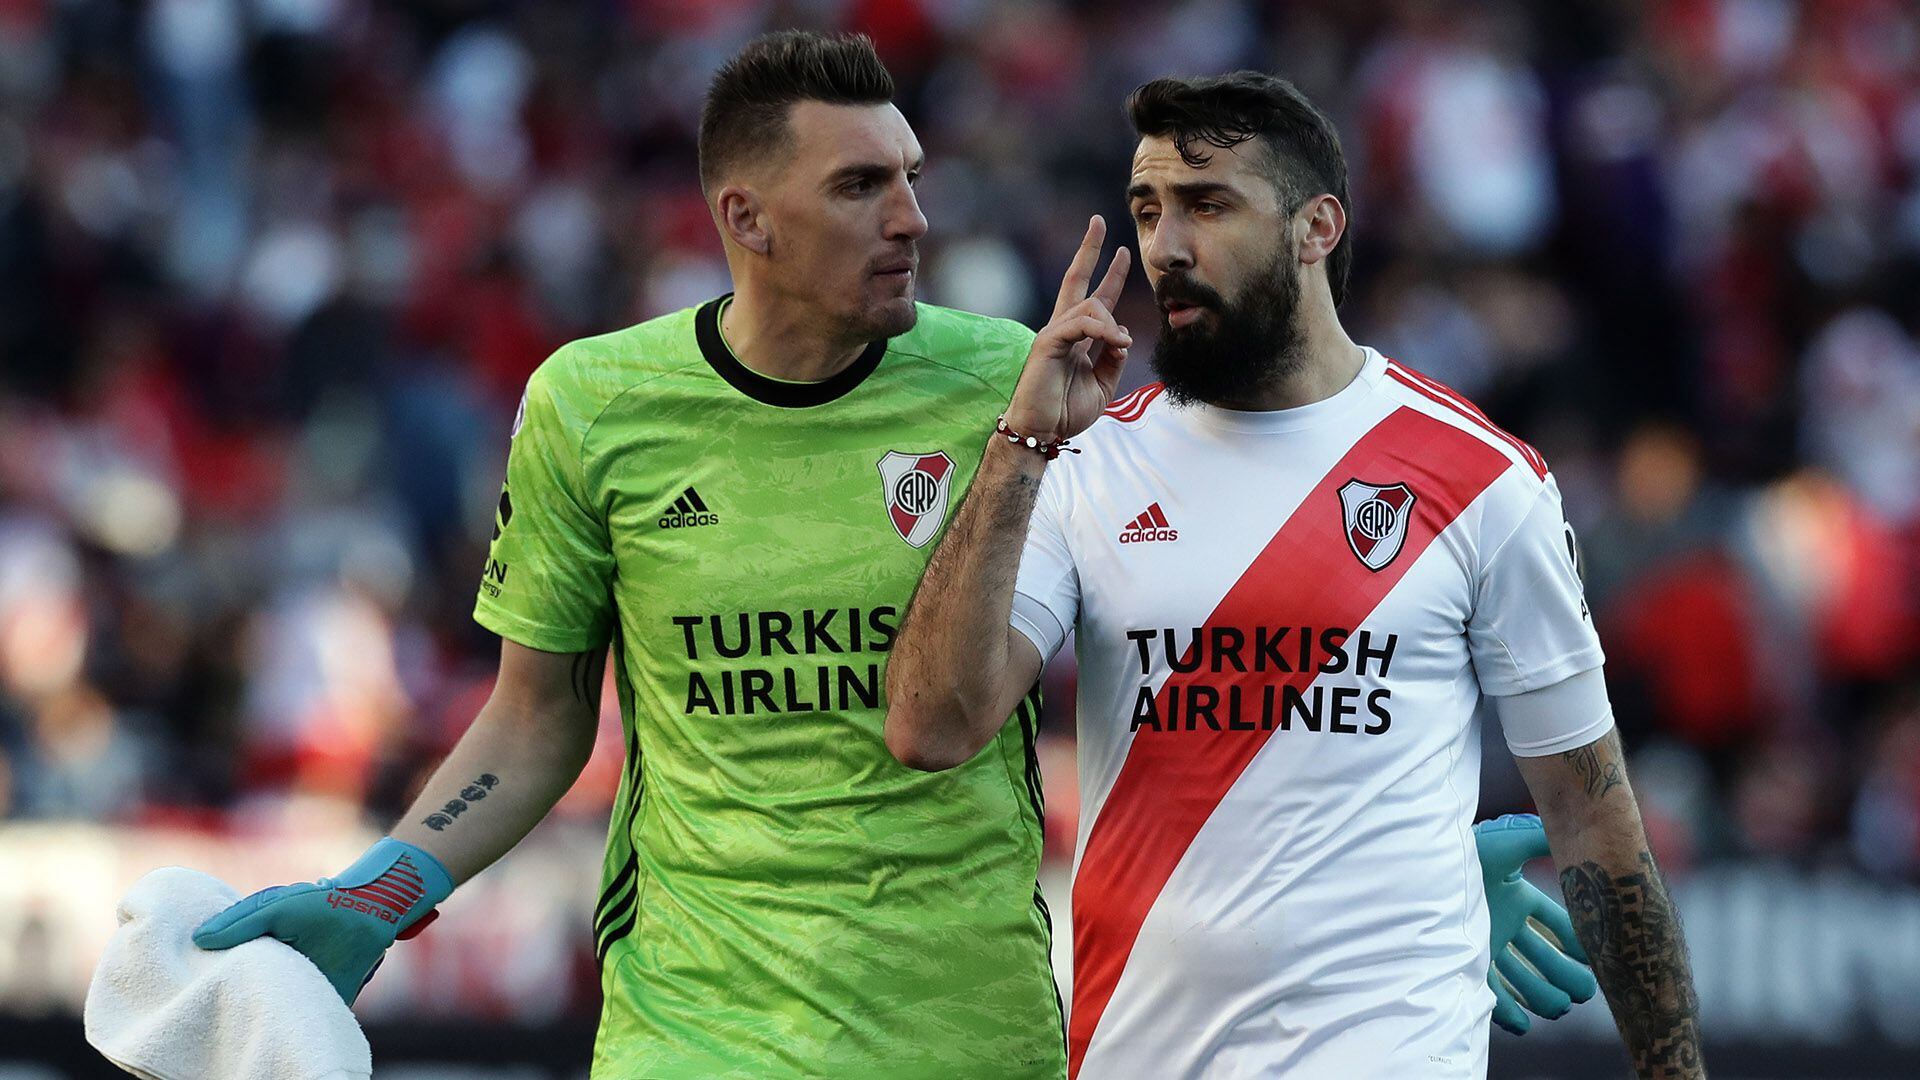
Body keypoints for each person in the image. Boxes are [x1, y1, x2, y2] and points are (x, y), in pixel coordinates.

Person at [190, 35, 1592, 1078]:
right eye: (863, 186)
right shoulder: (593, 405)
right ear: (746, 219)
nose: (914, 216)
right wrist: (388, 889)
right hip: (694, 1031)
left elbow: (1221, 623)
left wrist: (1401, 867)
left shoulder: (1019, 384)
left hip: (968, 1031)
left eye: (914, 177)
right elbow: (536, 714)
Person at [884, 71, 1704, 1079]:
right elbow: (932, 727)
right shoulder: (1088, 461)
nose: (1166, 246)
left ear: (1317, 227)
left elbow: (1593, 817)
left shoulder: (1482, 480)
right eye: (1148, 209)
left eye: (1207, 204)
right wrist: (1021, 445)